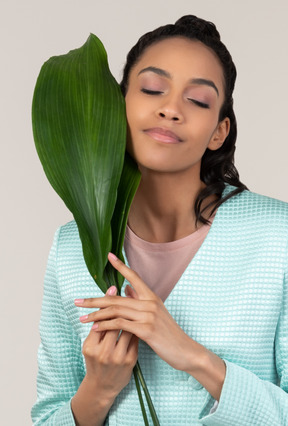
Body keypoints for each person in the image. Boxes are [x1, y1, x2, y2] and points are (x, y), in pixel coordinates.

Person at [31, 15, 288, 425]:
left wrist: (193, 357)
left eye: (199, 100)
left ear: (219, 131)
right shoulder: (72, 247)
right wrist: (97, 389)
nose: (170, 109)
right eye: (152, 89)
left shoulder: (278, 236)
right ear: (119, 104)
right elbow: (47, 417)